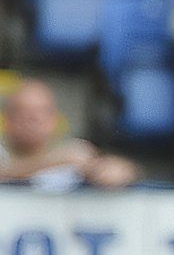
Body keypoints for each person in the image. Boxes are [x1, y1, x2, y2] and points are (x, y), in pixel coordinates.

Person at [0, 80, 139, 190]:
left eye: (42, 111)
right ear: (7, 119)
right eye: (23, 111)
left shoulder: (74, 154)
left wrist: (107, 170)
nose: (34, 119)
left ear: (55, 119)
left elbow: (120, 171)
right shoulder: (65, 158)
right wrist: (56, 161)